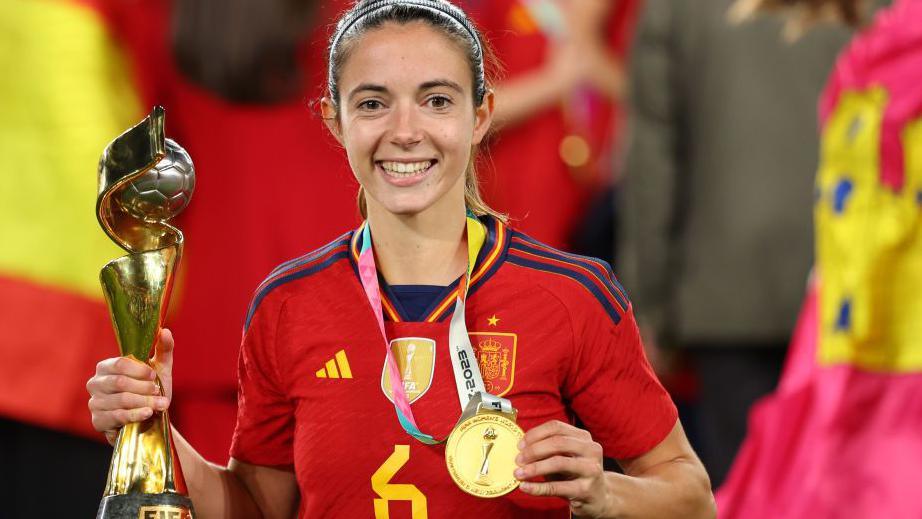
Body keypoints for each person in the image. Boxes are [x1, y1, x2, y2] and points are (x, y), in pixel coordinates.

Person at [86, 1, 715, 517]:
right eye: (373, 102)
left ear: (481, 114)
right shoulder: (287, 304)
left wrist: (605, 493)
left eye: (437, 100)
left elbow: (691, 497)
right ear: (335, 121)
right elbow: (256, 505)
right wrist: (153, 431)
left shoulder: (572, 295)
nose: (405, 130)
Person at [617, 0, 850, 486]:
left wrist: (649, 304)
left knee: (743, 484)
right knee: (845, 486)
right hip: (848, 286)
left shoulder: (671, 10)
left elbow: (653, 164)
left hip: (723, 292)